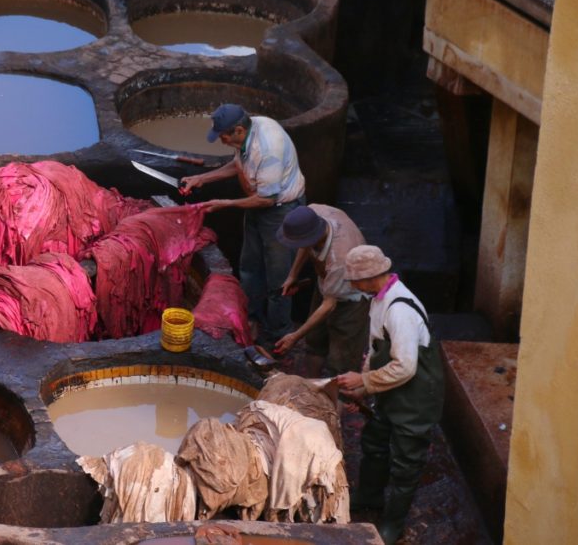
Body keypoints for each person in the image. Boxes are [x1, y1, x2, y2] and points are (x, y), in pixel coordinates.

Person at [335, 245, 444, 545]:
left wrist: (366, 381)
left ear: (370, 278)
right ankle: (370, 496)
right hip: (390, 390)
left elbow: (406, 367)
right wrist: (362, 386)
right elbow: (376, 346)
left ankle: (393, 523)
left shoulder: (399, 310)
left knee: (406, 463)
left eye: (355, 280)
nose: (352, 285)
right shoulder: (378, 300)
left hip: (415, 395)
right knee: (375, 441)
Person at [180, 103, 305, 347]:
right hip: (257, 204)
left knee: (279, 280)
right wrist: (201, 178)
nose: (221, 141)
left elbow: (267, 199)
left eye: (224, 136)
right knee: (249, 268)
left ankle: (278, 337)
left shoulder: (267, 148)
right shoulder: (247, 134)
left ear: (238, 130)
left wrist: (224, 203)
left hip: (279, 212)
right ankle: (251, 322)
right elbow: (238, 164)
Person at [272, 204, 369, 376]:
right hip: (326, 285)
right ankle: (309, 385)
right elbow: (305, 243)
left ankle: (340, 399)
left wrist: (295, 337)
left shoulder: (340, 257)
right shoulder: (314, 212)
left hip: (351, 297)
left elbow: (329, 305)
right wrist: (293, 275)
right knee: (315, 340)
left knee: (342, 357)